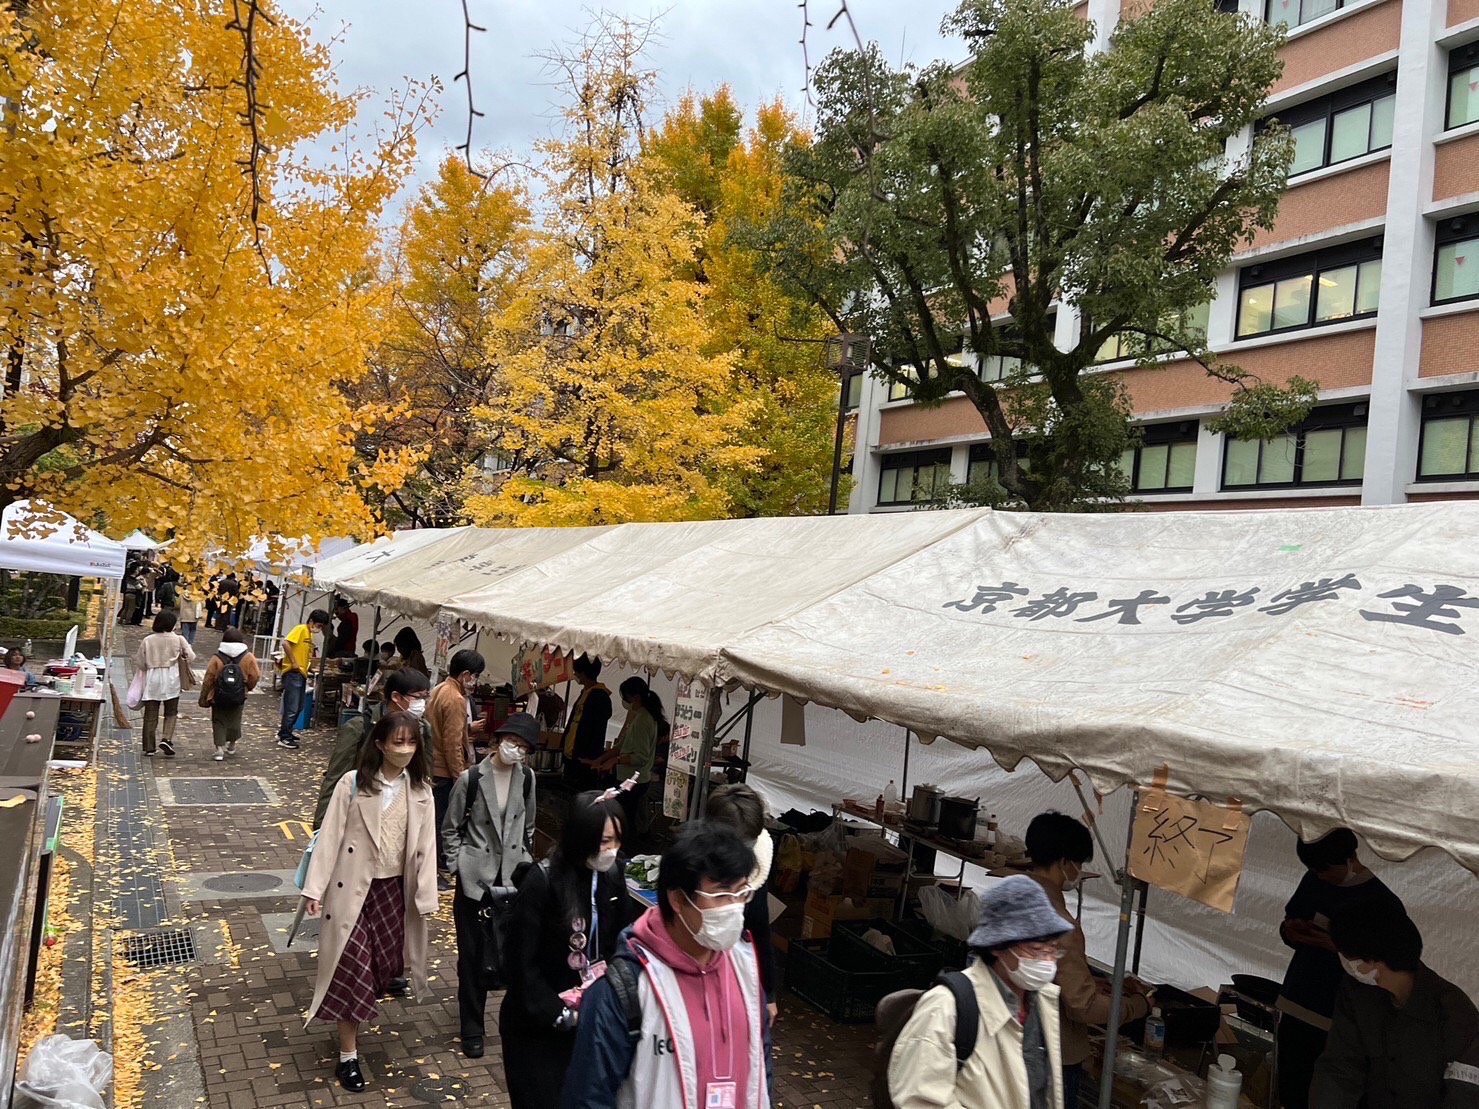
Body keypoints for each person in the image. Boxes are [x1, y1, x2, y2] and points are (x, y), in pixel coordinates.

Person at [562, 822, 771, 1109]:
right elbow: (588, 1097)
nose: (735, 908)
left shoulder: (744, 968)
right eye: (722, 895)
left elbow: (761, 1061)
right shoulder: (626, 988)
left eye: (742, 893)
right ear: (678, 898)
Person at [302, 711, 436, 1092]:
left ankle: (353, 1027)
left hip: (394, 892)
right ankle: (348, 1056)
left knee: (384, 965)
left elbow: (426, 848)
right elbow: (328, 838)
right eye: (398, 742)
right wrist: (315, 888)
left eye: (412, 743)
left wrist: (426, 896)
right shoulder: (352, 784)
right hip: (351, 890)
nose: (405, 750)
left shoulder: (421, 791)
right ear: (379, 744)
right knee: (353, 966)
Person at [888, 874, 1071, 1109]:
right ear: (998, 946)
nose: (1047, 961)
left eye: (1053, 949)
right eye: (1035, 949)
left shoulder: (1043, 1002)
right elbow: (919, 1101)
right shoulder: (946, 1007)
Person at [1022, 811, 1151, 1105]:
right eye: (1078, 863)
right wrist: (1136, 1006)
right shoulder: (1059, 923)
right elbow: (1083, 1008)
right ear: (1064, 862)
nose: (1079, 871)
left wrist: (1092, 980)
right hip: (1047, 1055)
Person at [1277, 828, 1407, 1109]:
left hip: (1338, 1018)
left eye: (1324, 870)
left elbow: (1391, 969)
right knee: (1289, 1090)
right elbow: (1290, 921)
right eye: (1313, 870)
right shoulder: (1314, 879)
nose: (1320, 875)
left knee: (1327, 1095)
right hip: (1297, 1003)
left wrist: (1338, 947)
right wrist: (1291, 931)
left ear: (1349, 859)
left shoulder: (1382, 903)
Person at [442, 713, 541, 1063]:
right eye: (514, 742)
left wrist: (525, 862)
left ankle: (515, 1021)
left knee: (510, 953)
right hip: (474, 880)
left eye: (525, 748)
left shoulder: (527, 779)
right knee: (472, 956)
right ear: (499, 740)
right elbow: (451, 827)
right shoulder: (471, 778)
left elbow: (529, 825)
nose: (517, 751)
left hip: (512, 880)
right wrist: (457, 865)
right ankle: (472, 1027)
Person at [1310, 904, 1479, 1108]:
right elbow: (1340, 1067)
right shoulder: (1356, 992)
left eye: (1347, 956)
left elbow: (1464, 1096)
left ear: (1374, 963)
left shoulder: (1456, 1014)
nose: (1345, 963)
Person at [313, 667, 432, 830]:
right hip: (361, 818)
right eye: (418, 698)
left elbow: (425, 772)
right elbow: (334, 779)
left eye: (426, 698)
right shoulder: (359, 728)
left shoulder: (423, 729)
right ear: (396, 697)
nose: (422, 704)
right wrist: (321, 829)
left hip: (403, 818)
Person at [705, 783, 779, 1024]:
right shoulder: (690, 864)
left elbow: (760, 931)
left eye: (748, 844)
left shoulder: (759, 864)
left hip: (733, 977)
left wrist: (768, 995)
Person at [428, 649, 489, 888]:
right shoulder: (455, 698)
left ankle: (437, 866)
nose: (476, 681)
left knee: (437, 819)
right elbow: (452, 743)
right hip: (443, 770)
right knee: (442, 821)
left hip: (434, 765)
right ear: (465, 674)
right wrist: (459, 777)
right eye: (475, 675)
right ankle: (434, 871)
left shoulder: (440, 689)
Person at [133, 610, 195, 758]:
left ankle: (149, 747)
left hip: (153, 677)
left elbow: (140, 662)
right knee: (171, 711)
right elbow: (191, 657)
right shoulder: (178, 639)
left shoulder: (148, 640)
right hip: (172, 677)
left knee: (150, 713)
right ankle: (166, 738)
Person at [198, 629, 261, 761]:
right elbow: (255, 676)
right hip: (238, 695)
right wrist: (247, 687)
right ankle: (231, 746)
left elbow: (208, 678)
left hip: (218, 695)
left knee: (218, 720)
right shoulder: (248, 656)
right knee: (235, 719)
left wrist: (204, 697)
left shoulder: (217, 657)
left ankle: (219, 749)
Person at [277, 608, 329, 751]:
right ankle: (285, 737)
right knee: (292, 707)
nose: (319, 629)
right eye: (318, 625)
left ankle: (285, 732)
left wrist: (309, 668)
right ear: (311, 621)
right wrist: (293, 662)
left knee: (299, 706)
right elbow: (285, 643)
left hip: (301, 673)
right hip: (293, 673)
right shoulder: (300, 629)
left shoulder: (309, 635)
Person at [562, 654, 611, 790]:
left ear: (582, 673)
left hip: (584, 759)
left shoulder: (600, 696)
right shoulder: (586, 692)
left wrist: (590, 757)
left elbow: (596, 730)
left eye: (576, 671)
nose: (575, 674)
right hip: (573, 756)